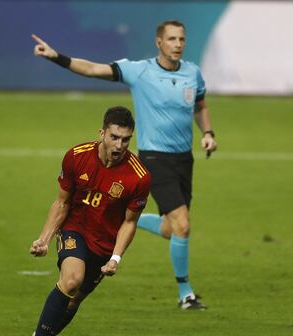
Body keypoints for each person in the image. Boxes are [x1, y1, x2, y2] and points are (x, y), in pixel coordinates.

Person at [31, 19, 217, 310]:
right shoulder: (139, 70)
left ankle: (125, 217)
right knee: (183, 226)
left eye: (181, 39)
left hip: (184, 160)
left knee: (172, 229)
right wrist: (57, 57)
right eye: (171, 39)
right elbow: (93, 69)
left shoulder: (193, 73)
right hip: (154, 158)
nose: (178, 44)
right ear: (159, 42)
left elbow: (201, 106)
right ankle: (186, 293)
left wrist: (207, 133)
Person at [18, 106, 151, 336]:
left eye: (126, 139)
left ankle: (42, 335)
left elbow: (129, 222)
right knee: (71, 280)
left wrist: (116, 257)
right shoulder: (77, 157)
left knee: (72, 302)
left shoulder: (138, 177)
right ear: (102, 133)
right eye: (114, 137)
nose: (119, 145)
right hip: (75, 229)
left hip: (103, 245)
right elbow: (62, 202)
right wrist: (43, 239)